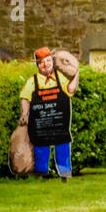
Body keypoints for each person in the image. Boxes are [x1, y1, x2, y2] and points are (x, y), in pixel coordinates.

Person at [19, 46, 79, 180]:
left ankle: (65, 173)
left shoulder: (60, 77)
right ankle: (41, 174)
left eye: (47, 61)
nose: (45, 64)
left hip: (59, 122)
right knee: (40, 147)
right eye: (41, 62)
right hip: (41, 123)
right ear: (38, 65)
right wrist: (25, 113)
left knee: (62, 146)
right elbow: (25, 97)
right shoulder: (32, 81)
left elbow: (71, 90)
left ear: (52, 61)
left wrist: (76, 75)